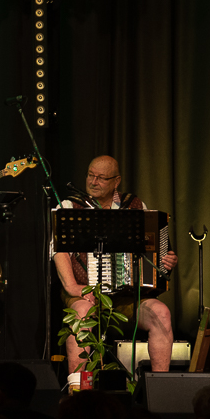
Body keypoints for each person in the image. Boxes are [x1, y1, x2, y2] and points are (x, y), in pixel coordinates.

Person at [52, 155, 179, 375]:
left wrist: (165, 262)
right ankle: (77, 389)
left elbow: (149, 252)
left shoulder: (135, 206)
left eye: (101, 178)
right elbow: (58, 251)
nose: (93, 182)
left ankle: (159, 387)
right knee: (81, 314)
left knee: (162, 313)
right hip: (85, 291)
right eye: (90, 175)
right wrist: (73, 287)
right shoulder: (70, 206)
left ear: (116, 181)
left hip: (126, 295)